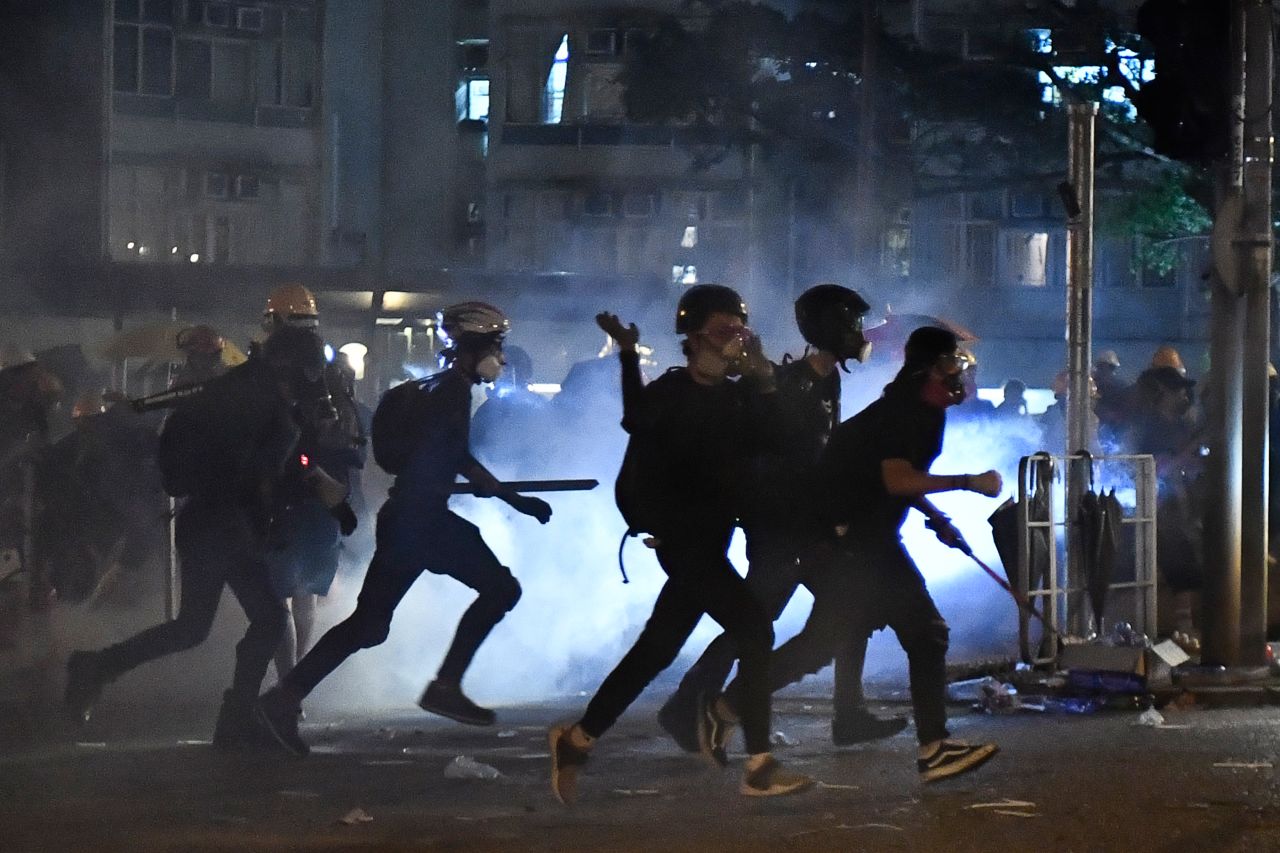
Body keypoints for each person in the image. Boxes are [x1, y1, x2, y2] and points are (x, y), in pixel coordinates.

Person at [549, 285, 812, 805]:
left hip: (713, 540)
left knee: (657, 647)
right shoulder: (671, 393)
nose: (732, 342)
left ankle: (578, 740)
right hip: (682, 539)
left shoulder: (738, 397)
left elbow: (783, 442)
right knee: (754, 630)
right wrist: (627, 353)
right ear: (692, 339)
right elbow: (636, 418)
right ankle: (758, 764)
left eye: (739, 331)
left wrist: (764, 382)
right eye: (721, 332)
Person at [705, 326, 1002, 784]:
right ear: (928, 369)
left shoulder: (916, 410)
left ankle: (728, 705)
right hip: (850, 540)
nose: (959, 375)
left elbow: (886, 474)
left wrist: (934, 514)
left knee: (822, 644)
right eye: (951, 365)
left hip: (857, 536)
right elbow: (896, 478)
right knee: (926, 633)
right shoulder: (909, 413)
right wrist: (968, 482)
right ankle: (935, 747)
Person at [254, 301, 552, 756]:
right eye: (496, 346)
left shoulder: (426, 390)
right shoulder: (452, 392)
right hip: (425, 520)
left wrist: (508, 496)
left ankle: (283, 698)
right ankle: (446, 685)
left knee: (369, 625)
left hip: (404, 520)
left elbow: (412, 457)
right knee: (501, 590)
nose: (502, 358)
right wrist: (515, 499)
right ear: (473, 346)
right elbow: (457, 460)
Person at [63, 327, 352, 749]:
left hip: (210, 521)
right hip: (222, 522)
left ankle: (97, 667)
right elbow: (262, 469)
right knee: (267, 620)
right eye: (309, 372)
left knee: (193, 628)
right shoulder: (260, 403)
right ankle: (235, 719)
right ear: (291, 368)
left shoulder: (247, 392)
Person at [658, 283, 904, 752]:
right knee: (759, 622)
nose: (860, 334)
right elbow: (775, 465)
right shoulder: (786, 386)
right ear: (830, 327)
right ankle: (691, 706)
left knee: (836, 606)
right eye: (851, 324)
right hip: (781, 529)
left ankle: (845, 714)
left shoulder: (826, 379)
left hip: (803, 527)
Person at [256, 287, 367, 681]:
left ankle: (288, 679)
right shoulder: (333, 371)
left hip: (283, 495)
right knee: (305, 595)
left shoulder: (271, 370)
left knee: (278, 596)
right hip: (326, 497)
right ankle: (298, 677)